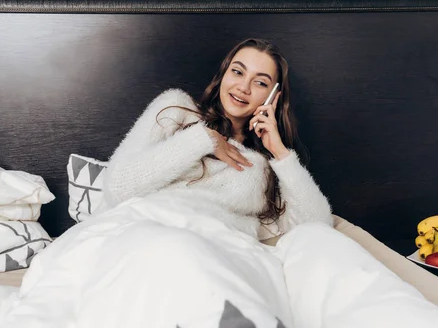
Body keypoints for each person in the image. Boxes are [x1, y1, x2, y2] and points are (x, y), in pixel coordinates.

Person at [102, 38, 334, 241]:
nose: (243, 87)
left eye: (260, 82)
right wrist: (204, 140)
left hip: (215, 251)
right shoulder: (177, 109)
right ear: (223, 73)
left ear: (273, 97)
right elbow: (118, 188)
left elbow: (317, 228)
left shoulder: (265, 167)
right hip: (147, 232)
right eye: (238, 72)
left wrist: (280, 154)